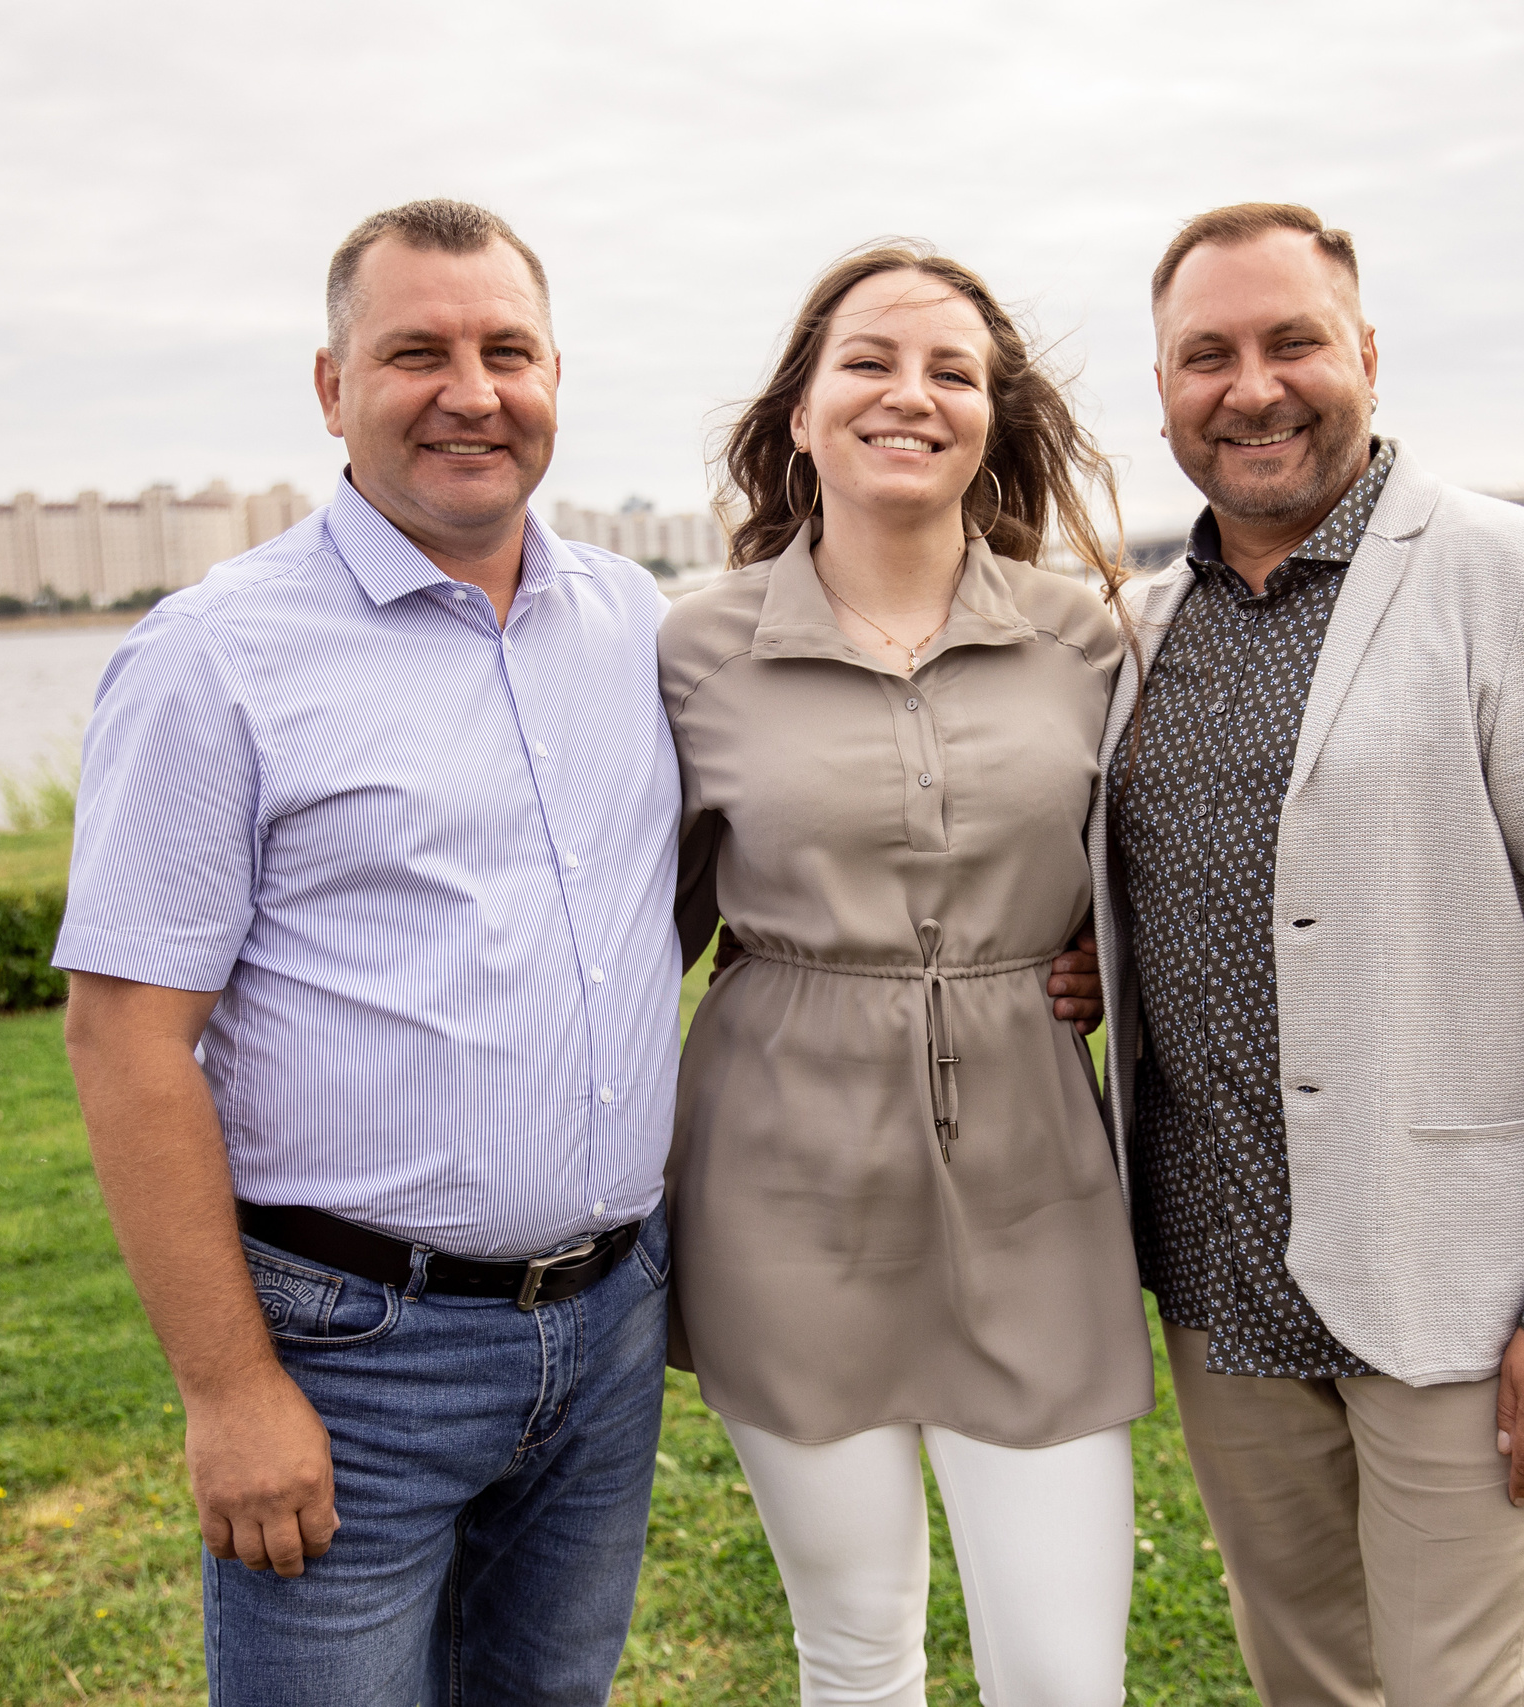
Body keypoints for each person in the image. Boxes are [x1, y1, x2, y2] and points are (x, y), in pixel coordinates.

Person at [1088, 203, 1524, 1705]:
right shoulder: (1138, 626)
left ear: (1366, 355)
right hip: (1219, 1278)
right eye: (1208, 356)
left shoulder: (1511, 576)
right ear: (1164, 391)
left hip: (1455, 1289)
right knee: (1303, 1679)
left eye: (1293, 341)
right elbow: (1132, 893)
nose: (1253, 387)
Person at [56, 199, 684, 1706]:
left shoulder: (631, 621)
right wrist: (228, 1390)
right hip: (354, 1354)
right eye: (417, 354)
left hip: (609, 1328)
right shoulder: (217, 654)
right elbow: (124, 1036)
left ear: (554, 377)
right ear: (333, 388)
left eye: (507, 352)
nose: (472, 392)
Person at [661, 244, 1153, 1707]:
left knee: (1065, 1678)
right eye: (868, 361)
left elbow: (1161, 878)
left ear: (993, 419)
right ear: (800, 412)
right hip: (782, 1195)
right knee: (858, 1649)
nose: (910, 394)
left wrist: (1111, 960)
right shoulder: (693, 652)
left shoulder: (1091, 641)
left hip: (1034, 1186)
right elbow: (632, 931)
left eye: (952, 371)